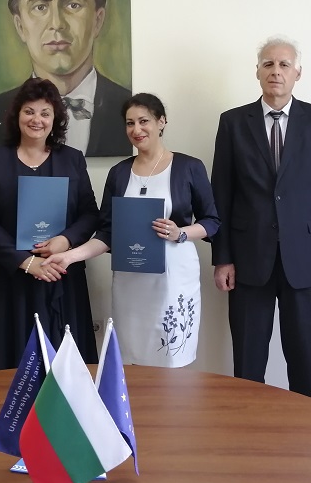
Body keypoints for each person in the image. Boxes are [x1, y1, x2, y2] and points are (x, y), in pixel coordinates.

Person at [211, 36, 311, 400]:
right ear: (257, 72)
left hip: (305, 261)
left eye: (284, 64)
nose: (276, 71)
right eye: (268, 64)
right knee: (248, 362)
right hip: (248, 259)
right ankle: (248, 427)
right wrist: (222, 258)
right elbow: (221, 195)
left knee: (305, 361)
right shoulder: (233, 122)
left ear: (297, 73)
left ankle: (309, 428)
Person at [43, 93, 220, 367]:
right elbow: (107, 233)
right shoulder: (119, 172)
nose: (136, 129)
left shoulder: (189, 167)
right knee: (130, 359)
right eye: (129, 123)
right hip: (130, 281)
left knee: (171, 358)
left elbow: (211, 221)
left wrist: (181, 233)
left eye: (143, 121)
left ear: (161, 121)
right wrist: (69, 256)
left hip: (173, 278)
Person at [0, 77, 99, 371]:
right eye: (29, 111)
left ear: (55, 119)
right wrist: (26, 262)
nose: (36, 120)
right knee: (13, 366)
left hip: (61, 273)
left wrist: (65, 241)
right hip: (10, 278)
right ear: (17, 115)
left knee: (66, 367)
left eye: (45, 113)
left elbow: (90, 214)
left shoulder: (72, 159)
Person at [0, 0, 131, 157]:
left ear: (98, 20)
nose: (56, 24)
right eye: (40, 7)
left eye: (73, 5)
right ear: (20, 26)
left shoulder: (128, 109)